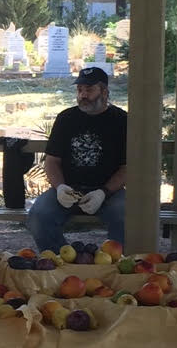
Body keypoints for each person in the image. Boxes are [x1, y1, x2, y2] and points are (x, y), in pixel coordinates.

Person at [26, 66, 127, 251]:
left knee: (125, 216)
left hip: (109, 192)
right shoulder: (66, 118)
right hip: (69, 190)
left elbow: (127, 167)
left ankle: (115, 263)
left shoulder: (121, 120)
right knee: (39, 216)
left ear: (104, 92)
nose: (83, 95)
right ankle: (61, 260)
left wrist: (103, 192)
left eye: (89, 90)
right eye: (80, 90)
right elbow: (52, 161)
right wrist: (60, 187)